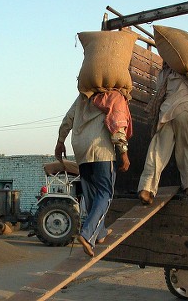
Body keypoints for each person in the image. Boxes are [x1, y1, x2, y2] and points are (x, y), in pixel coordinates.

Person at [55, 90, 131, 257]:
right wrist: (123, 152)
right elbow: (117, 123)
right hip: (100, 148)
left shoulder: (83, 96)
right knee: (105, 193)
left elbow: (67, 119)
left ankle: (100, 233)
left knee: (90, 194)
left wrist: (60, 142)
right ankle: (88, 235)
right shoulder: (113, 95)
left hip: (81, 149)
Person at [138, 62, 188, 204]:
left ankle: (146, 188)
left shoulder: (163, 73)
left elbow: (160, 89)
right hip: (183, 111)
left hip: (165, 112)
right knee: (186, 149)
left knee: (158, 151)